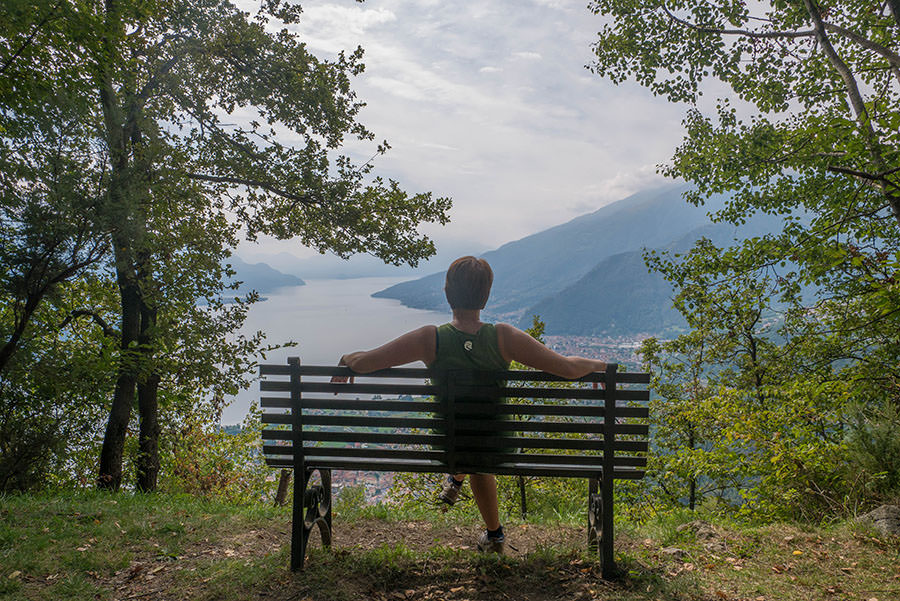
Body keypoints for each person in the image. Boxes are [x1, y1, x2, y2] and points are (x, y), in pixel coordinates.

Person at [332, 256, 607, 553]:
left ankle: (463, 487)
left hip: (447, 445)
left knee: (466, 438)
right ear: (486, 296)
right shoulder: (504, 337)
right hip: (496, 446)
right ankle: (494, 534)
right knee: (479, 444)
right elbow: (566, 367)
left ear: (448, 293)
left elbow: (366, 362)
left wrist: (347, 358)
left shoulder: (429, 338)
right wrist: (600, 365)